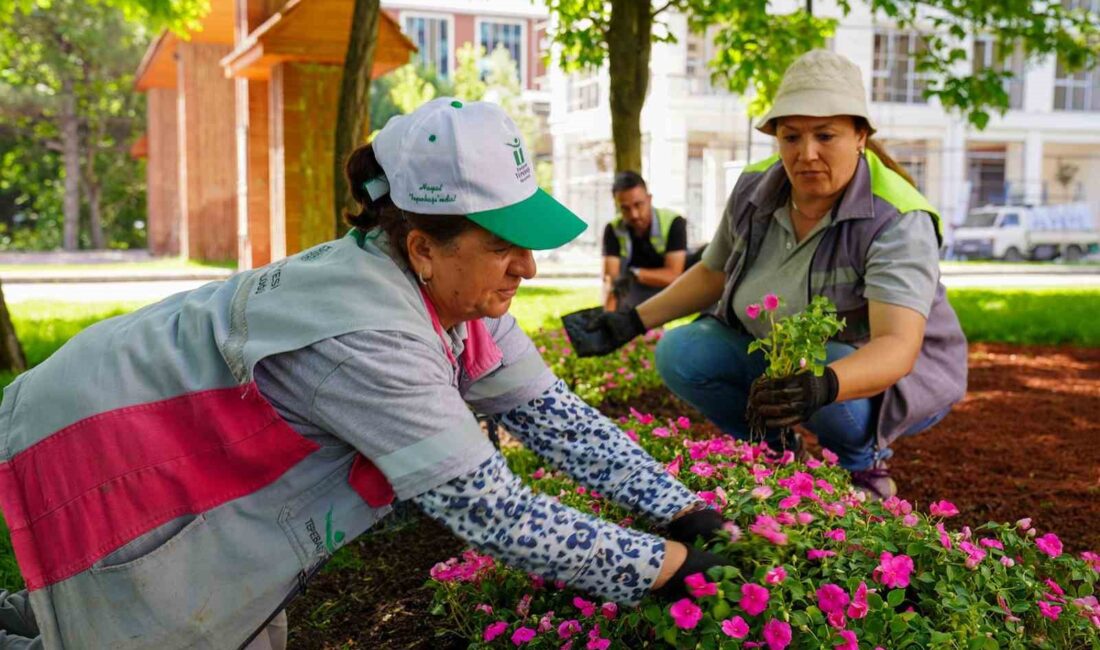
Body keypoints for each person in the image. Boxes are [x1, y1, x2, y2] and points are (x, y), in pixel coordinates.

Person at [0, 99, 730, 650]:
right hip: (105, 440)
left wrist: (681, 508)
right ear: (422, 247)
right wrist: (669, 568)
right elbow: (491, 510)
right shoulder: (369, 335)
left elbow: (552, 416)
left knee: (140, 614)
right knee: (142, 627)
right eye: (505, 243)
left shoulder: (457, 299)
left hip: (144, 424)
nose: (530, 267)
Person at [566, 50, 968, 501]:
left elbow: (897, 347)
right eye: (791, 136)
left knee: (823, 362)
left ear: (860, 135)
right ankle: (777, 451)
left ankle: (863, 464)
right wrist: (630, 321)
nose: (806, 153)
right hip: (787, 358)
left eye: (825, 135)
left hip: (878, 377)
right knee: (681, 352)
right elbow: (712, 273)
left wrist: (822, 385)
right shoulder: (756, 188)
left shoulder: (897, 216)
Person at [601, 171, 691, 312]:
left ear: (649, 199)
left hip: (674, 288)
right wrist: (607, 318)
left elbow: (674, 275)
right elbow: (612, 281)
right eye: (625, 208)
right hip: (635, 292)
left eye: (638, 205)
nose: (634, 214)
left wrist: (635, 274)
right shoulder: (613, 229)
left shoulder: (673, 222)